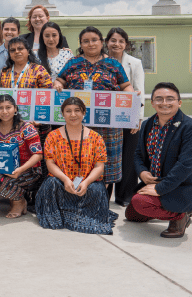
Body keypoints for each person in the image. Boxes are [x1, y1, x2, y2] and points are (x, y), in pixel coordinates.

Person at [54, 26, 134, 196]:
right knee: (80, 160)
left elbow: (126, 86)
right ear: (81, 44)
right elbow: (60, 79)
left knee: (104, 163)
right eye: (85, 41)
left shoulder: (113, 64)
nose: (90, 44)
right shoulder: (73, 63)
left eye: (94, 40)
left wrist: (131, 97)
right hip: (78, 123)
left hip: (108, 125)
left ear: (101, 42)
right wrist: (59, 84)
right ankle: (78, 197)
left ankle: (98, 200)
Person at [126, 83, 192, 238]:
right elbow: (138, 154)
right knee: (132, 215)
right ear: (152, 103)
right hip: (153, 181)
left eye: (170, 99)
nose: (164, 103)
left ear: (179, 102)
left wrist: (159, 189)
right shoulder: (148, 124)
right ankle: (188, 208)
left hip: (178, 186)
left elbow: (186, 165)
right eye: (159, 99)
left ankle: (180, 216)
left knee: (141, 203)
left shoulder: (191, 127)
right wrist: (142, 172)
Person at [35, 97, 117, 234]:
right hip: (62, 183)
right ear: (62, 114)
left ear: (84, 112)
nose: (73, 115)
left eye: (77, 111)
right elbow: (50, 164)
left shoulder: (96, 138)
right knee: (51, 183)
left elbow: (99, 167)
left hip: (86, 184)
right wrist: (66, 180)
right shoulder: (53, 136)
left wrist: (86, 182)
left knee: (96, 189)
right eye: (68, 111)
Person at [0, 95, 44, 218]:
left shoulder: (26, 127)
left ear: (15, 109)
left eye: (8, 107)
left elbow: (38, 155)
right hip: (1, 170)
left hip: (28, 171)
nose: (4, 112)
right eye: (1, 108)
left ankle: (18, 202)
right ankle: (16, 198)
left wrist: (20, 170)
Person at [107, 27, 147, 206]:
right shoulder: (100, 60)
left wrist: (138, 118)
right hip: (106, 116)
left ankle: (125, 195)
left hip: (127, 115)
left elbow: (140, 90)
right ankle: (104, 194)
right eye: (113, 40)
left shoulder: (134, 63)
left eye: (121, 41)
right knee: (106, 154)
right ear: (106, 42)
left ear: (126, 44)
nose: (117, 44)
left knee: (128, 154)